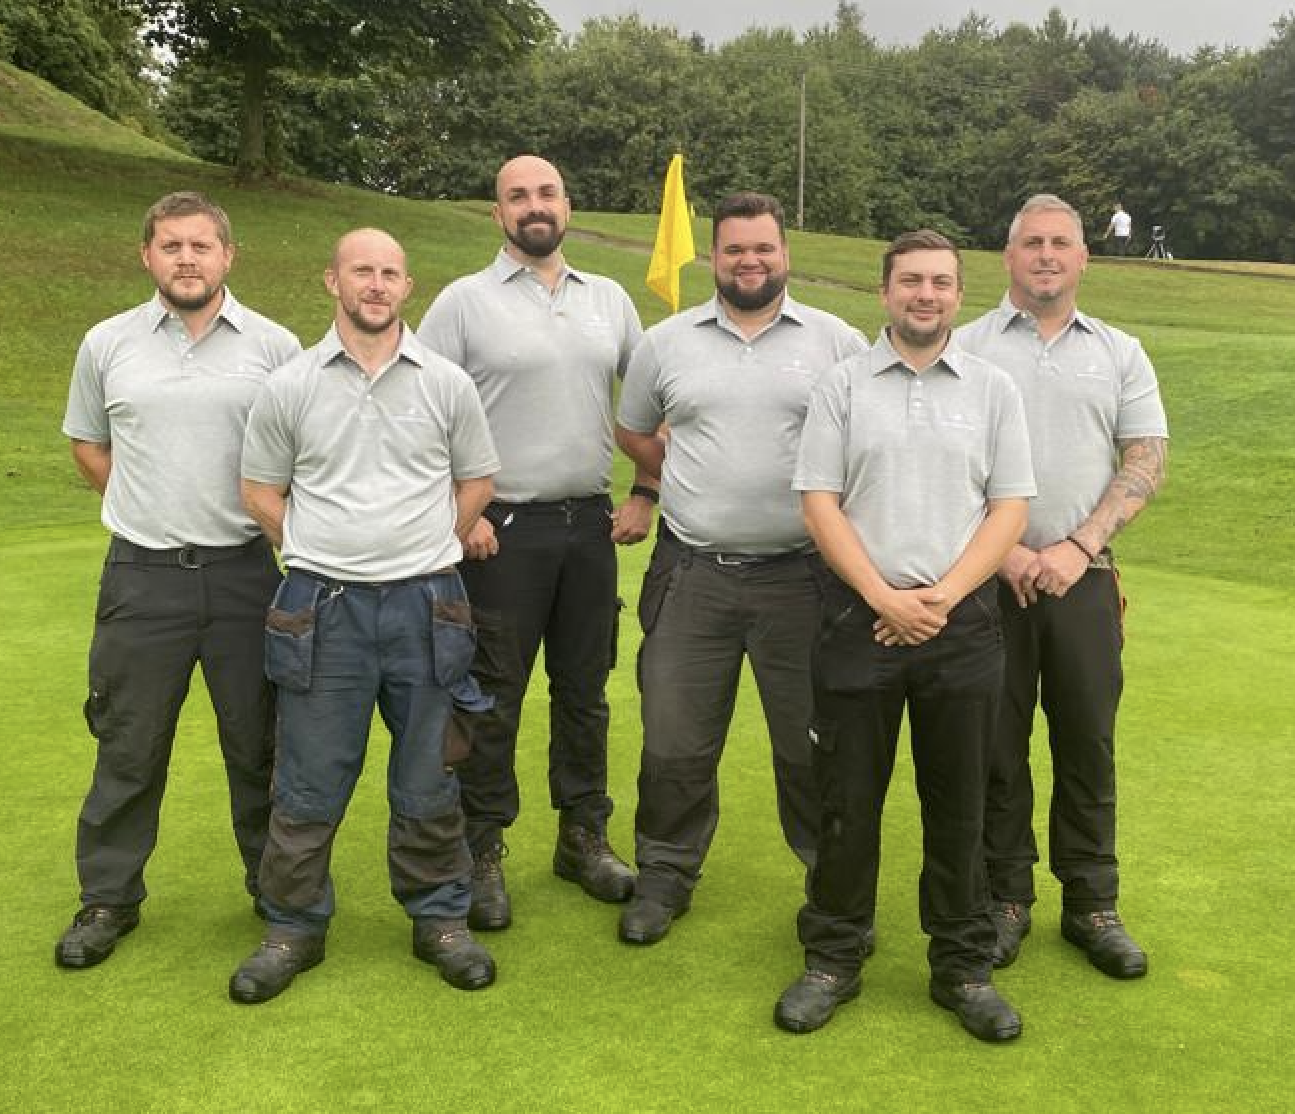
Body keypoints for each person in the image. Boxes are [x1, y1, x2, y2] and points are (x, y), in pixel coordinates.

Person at [228, 228, 501, 1004]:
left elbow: (477, 478)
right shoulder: (291, 384)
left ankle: (440, 919)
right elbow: (259, 490)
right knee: (309, 779)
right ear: (332, 282)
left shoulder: (446, 382)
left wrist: (423, 545)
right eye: (361, 271)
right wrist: (317, 548)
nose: (375, 285)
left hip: (427, 606)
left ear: (407, 287)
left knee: (428, 774)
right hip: (322, 609)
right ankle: (293, 926)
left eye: (389, 273)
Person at [776, 230, 1035, 1043]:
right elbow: (819, 501)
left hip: (963, 627)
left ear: (960, 295)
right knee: (845, 800)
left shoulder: (993, 389)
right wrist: (885, 597)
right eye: (912, 281)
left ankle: (961, 967)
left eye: (942, 283)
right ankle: (833, 958)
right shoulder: (843, 385)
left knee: (958, 803)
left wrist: (942, 598)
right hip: (860, 621)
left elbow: (1010, 509)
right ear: (885, 293)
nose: (927, 294)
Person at [613, 191, 867, 946]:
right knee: (675, 739)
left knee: (809, 742)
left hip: (805, 579)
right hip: (694, 574)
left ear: (785, 254)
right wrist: (690, 481)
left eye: (763, 248)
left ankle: (831, 885)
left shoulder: (838, 343)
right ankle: (664, 875)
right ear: (713, 256)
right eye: (733, 250)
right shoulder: (665, 343)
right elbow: (635, 434)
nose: (749, 261)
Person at [55, 191, 301, 970]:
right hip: (143, 577)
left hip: (243, 576)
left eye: (201, 245)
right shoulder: (107, 344)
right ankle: (108, 899)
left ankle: (276, 892)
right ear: (147, 256)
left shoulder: (274, 345)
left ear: (228, 255)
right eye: (170, 246)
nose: (186, 258)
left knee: (258, 744)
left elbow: (303, 454)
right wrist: (148, 503)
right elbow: (89, 446)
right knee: (128, 745)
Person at [417, 155, 651, 930]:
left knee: (584, 694)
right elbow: (419, 415)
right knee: (492, 699)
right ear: (499, 214)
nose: (534, 205)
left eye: (547, 191)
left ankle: (583, 835)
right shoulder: (462, 303)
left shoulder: (610, 301)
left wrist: (647, 489)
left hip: (587, 527)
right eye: (517, 196)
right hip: (498, 534)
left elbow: (655, 404)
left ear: (568, 203)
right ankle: (480, 849)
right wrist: (463, 512)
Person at [958, 193, 1169, 979]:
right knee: (995, 745)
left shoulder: (1119, 351)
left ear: (1084, 258)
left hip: (1083, 578)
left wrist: (1082, 544)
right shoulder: (969, 346)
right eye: (1031, 243)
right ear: (1007, 257)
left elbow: (1146, 459)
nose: (1046, 255)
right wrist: (1005, 549)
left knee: (1086, 740)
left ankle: (1091, 901)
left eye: (1061, 244)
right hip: (987, 577)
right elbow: (947, 463)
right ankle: (1005, 896)